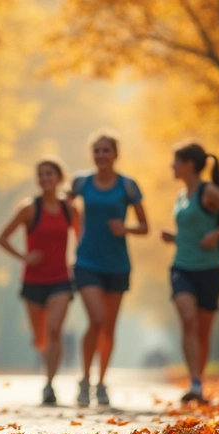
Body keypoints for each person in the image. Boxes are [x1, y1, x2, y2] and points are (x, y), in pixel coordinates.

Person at [70, 131, 148, 406]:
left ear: (115, 154)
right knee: (97, 318)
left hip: (117, 264)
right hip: (87, 262)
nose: (101, 155)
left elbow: (144, 226)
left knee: (109, 327)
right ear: (93, 155)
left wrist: (125, 228)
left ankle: (101, 382)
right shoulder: (81, 183)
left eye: (106, 151)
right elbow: (65, 210)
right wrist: (77, 231)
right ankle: (84, 379)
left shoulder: (128, 186)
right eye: (97, 151)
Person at [161, 142, 219, 403]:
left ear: (189, 164)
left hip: (209, 269)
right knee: (188, 321)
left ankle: (199, 382)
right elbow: (190, 232)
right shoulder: (181, 195)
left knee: (203, 332)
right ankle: (195, 383)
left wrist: (217, 234)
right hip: (181, 267)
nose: (172, 166)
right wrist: (175, 237)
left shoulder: (208, 192)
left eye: (176, 161)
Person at [0, 158, 80, 404]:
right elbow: (2, 238)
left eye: (50, 174)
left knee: (55, 331)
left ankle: (50, 384)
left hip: (61, 280)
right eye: (41, 175)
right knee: (41, 337)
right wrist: (25, 257)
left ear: (59, 178)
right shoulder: (29, 208)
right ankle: (46, 366)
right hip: (33, 281)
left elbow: (82, 238)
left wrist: (76, 262)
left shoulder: (69, 210)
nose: (45, 179)